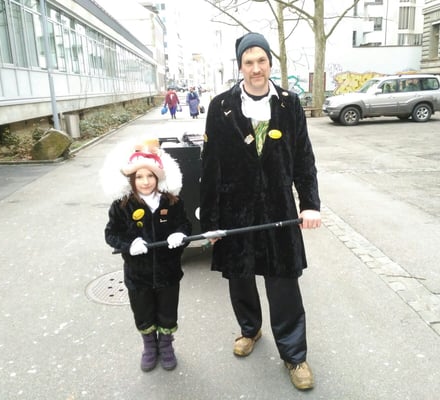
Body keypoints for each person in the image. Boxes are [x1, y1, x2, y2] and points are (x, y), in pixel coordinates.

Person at [199, 32, 322, 391]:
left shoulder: (289, 104)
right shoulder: (221, 105)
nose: (256, 68)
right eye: (249, 62)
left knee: (284, 284)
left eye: (261, 61)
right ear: (240, 66)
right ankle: (249, 329)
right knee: (240, 277)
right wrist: (211, 221)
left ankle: (294, 354)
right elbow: (210, 165)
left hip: (278, 209)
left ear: (270, 62)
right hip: (234, 209)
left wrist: (310, 204)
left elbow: (303, 158)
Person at [103, 138, 192, 372]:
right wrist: (128, 244)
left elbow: (184, 225)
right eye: (139, 177)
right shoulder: (122, 206)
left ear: (158, 177)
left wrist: (179, 235)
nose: (145, 181)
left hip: (168, 273)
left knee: (167, 311)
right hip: (138, 275)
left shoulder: (171, 202)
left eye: (150, 176)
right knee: (143, 312)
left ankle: (166, 345)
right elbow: (111, 234)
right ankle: (150, 346)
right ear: (132, 180)